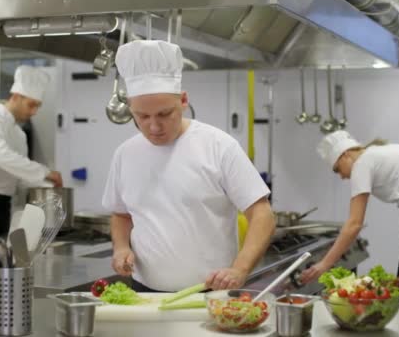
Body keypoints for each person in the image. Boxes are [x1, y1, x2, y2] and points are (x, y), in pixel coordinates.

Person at [102, 40, 275, 292]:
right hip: (144, 291)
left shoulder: (218, 146)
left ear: (183, 100)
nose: (153, 126)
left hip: (209, 293)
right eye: (142, 116)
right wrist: (121, 248)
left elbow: (262, 215)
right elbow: (120, 214)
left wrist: (240, 269)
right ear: (131, 109)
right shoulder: (125, 154)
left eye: (164, 114)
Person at [300, 130, 399, 334]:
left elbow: (354, 224)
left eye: (337, 169)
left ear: (345, 155)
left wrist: (324, 264)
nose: (342, 176)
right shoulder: (391, 151)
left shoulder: (362, 162)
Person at [0, 65, 63, 239]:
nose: (34, 112)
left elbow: (19, 177)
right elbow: (2, 156)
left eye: (38, 106)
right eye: (31, 105)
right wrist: (46, 172)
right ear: (16, 96)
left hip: (3, 207)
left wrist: (48, 188)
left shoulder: (19, 134)